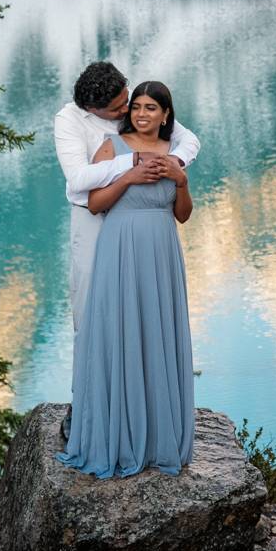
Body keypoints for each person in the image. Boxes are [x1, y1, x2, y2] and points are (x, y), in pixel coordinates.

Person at [58, 80, 196, 478]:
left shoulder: (174, 154)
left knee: (157, 334)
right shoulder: (112, 146)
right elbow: (95, 203)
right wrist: (128, 178)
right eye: (136, 107)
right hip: (119, 250)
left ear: (166, 115)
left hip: (162, 252)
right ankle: (117, 435)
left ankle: (158, 441)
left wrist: (181, 179)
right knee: (120, 333)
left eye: (151, 108)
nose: (141, 114)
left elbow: (182, 214)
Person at [54, 61, 199, 331]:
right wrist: (132, 160)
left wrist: (174, 163)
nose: (127, 110)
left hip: (137, 218)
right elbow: (79, 179)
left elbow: (189, 140)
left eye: (126, 100)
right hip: (92, 218)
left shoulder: (134, 104)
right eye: (117, 108)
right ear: (92, 109)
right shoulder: (69, 120)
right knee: (91, 301)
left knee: (140, 301)